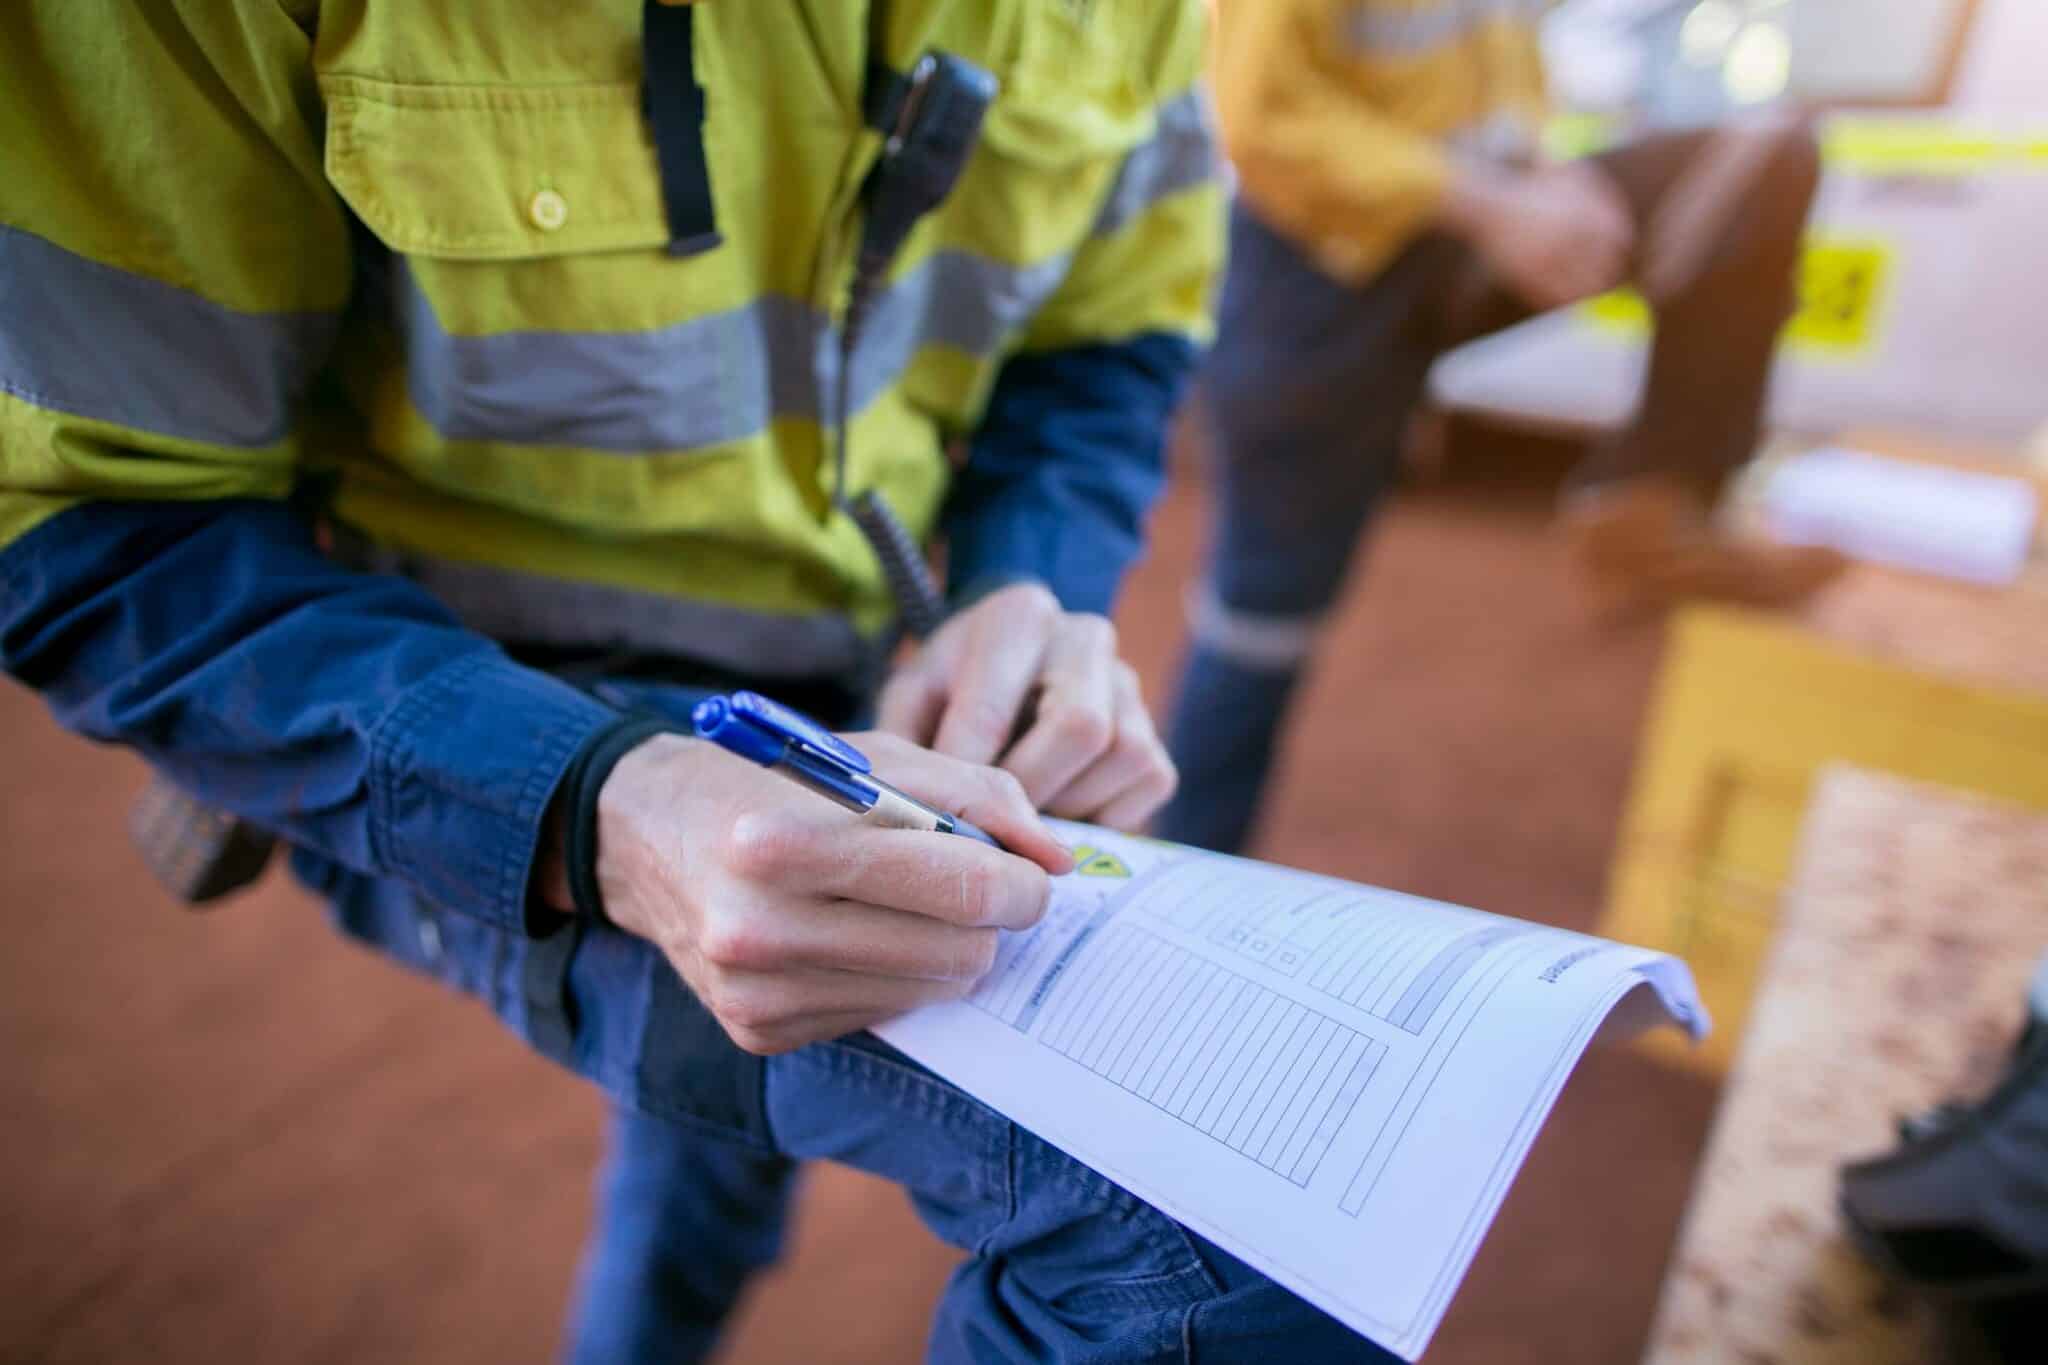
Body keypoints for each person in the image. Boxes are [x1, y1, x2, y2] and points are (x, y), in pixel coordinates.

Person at [0, 4, 1391, 1361]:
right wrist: (598, 802)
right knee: (1232, 1219)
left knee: (723, 1133)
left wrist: (1025, 581)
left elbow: (1110, 329)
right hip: (478, 710)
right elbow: (91, 535)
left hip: (864, 703)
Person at [1155, 0, 1843, 855]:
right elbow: (1258, 118)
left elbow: (1504, 67)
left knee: (1763, 160)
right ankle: (1183, 872)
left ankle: (1655, 502)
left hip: (1445, 239)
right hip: (1309, 284)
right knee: (1262, 625)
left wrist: (1545, 173)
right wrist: (1488, 202)